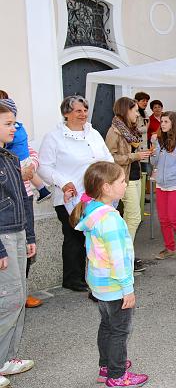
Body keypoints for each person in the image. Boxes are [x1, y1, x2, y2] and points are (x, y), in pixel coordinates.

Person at [70, 161, 148, 387]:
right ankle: (117, 375)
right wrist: (128, 289)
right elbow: (119, 259)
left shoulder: (92, 210)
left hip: (100, 283)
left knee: (107, 325)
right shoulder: (111, 220)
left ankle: (107, 366)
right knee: (119, 331)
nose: (126, 184)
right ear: (106, 187)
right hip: (114, 286)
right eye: (122, 181)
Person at [38, 95, 114, 291]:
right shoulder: (54, 137)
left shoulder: (93, 133)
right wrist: (63, 182)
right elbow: (44, 167)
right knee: (75, 237)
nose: (83, 114)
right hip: (70, 198)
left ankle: (96, 275)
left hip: (96, 196)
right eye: (78, 111)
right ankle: (73, 279)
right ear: (66, 113)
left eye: (85, 110)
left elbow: (108, 159)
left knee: (97, 237)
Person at [0, 102, 36, 385]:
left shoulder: (10, 158)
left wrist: (30, 236)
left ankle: (8, 358)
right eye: (8, 123)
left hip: (18, 233)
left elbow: (23, 198)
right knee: (8, 299)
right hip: (2, 237)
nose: (15, 128)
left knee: (18, 296)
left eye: (14, 122)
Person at [105, 97, 153, 272]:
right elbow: (110, 158)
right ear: (126, 111)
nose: (136, 114)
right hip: (123, 178)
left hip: (134, 175)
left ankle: (126, 256)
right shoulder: (114, 131)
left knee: (131, 219)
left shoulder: (129, 130)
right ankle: (125, 259)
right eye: (134, 111)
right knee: (133, 218)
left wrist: (139, 155)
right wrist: (134, 157)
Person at [149, 111, 176, 260]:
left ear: (174, 123)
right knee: (163, 219)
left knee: (173, 218)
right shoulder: (162, 140)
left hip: (175, 186)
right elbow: (153, 163)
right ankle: (170, 247)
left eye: (166, 122)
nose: (162, 124)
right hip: (161, 185)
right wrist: (154, 145)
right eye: (162, 122)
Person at [0, 98, 51, 203]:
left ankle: (42, 189)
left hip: (25, 194)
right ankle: (42, 189)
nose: (13, 128)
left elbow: (33, 154)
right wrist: (19, 174)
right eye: (8, 124)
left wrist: (31, 166)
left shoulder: (13, 139)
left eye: (13, 124)